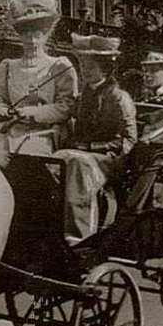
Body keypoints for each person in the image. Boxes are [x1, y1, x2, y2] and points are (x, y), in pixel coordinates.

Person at [55, 35, 138, 240]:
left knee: (76, 163)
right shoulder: (83, 97)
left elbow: (129, 140)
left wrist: (91, 146)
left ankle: (80, 235)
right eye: (82, 65)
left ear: (104, 68)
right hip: (81, 154)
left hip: (110, 159)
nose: (84, 70)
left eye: (90, 66)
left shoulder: (119, 97)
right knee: (55, 159)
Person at [0, 0, 79, 160]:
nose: (31, 41)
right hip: (10, 132)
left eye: (37, 34)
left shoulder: (59, 66)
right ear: (19, 35)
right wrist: (5, 111)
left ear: (46, 34)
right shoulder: (7, 67)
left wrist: (33, 113)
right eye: (25, 34)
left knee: (27, 158)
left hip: (45, 134)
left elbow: (66, 106)